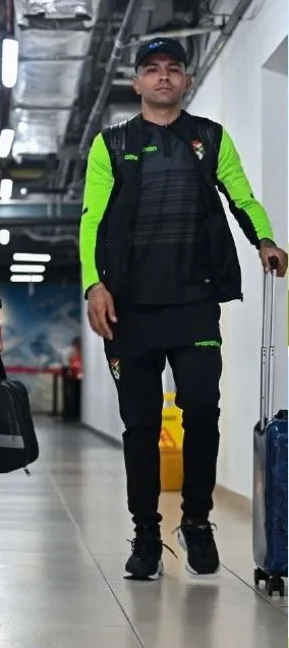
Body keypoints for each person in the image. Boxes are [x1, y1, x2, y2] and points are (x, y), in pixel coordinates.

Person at [80, 37, 288, 581]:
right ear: (138, 83)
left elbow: (241, 195)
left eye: (174, 69)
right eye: (153, 70)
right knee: (140, 425)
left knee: (201, 412)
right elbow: (91, 221)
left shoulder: (209, 138)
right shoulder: (112, 143)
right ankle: (145, 533)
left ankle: (196, 520)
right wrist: (92, 286)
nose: (164, 78)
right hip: (129, 308)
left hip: (195, 302)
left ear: (186, 81)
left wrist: (264, 240)